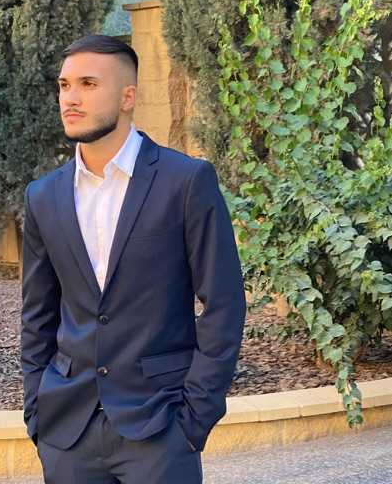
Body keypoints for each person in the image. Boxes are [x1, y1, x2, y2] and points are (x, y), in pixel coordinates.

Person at [20, 34, 246, 483]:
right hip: (68, 432)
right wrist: (36, 411)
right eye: (64, 85)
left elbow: (224, 303)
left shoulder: (185, 181)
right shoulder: (44, 195)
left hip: (160, 426)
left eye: (88, 84)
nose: (70, 98)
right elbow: (37, 314)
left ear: (127, 97)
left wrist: (194, 419)